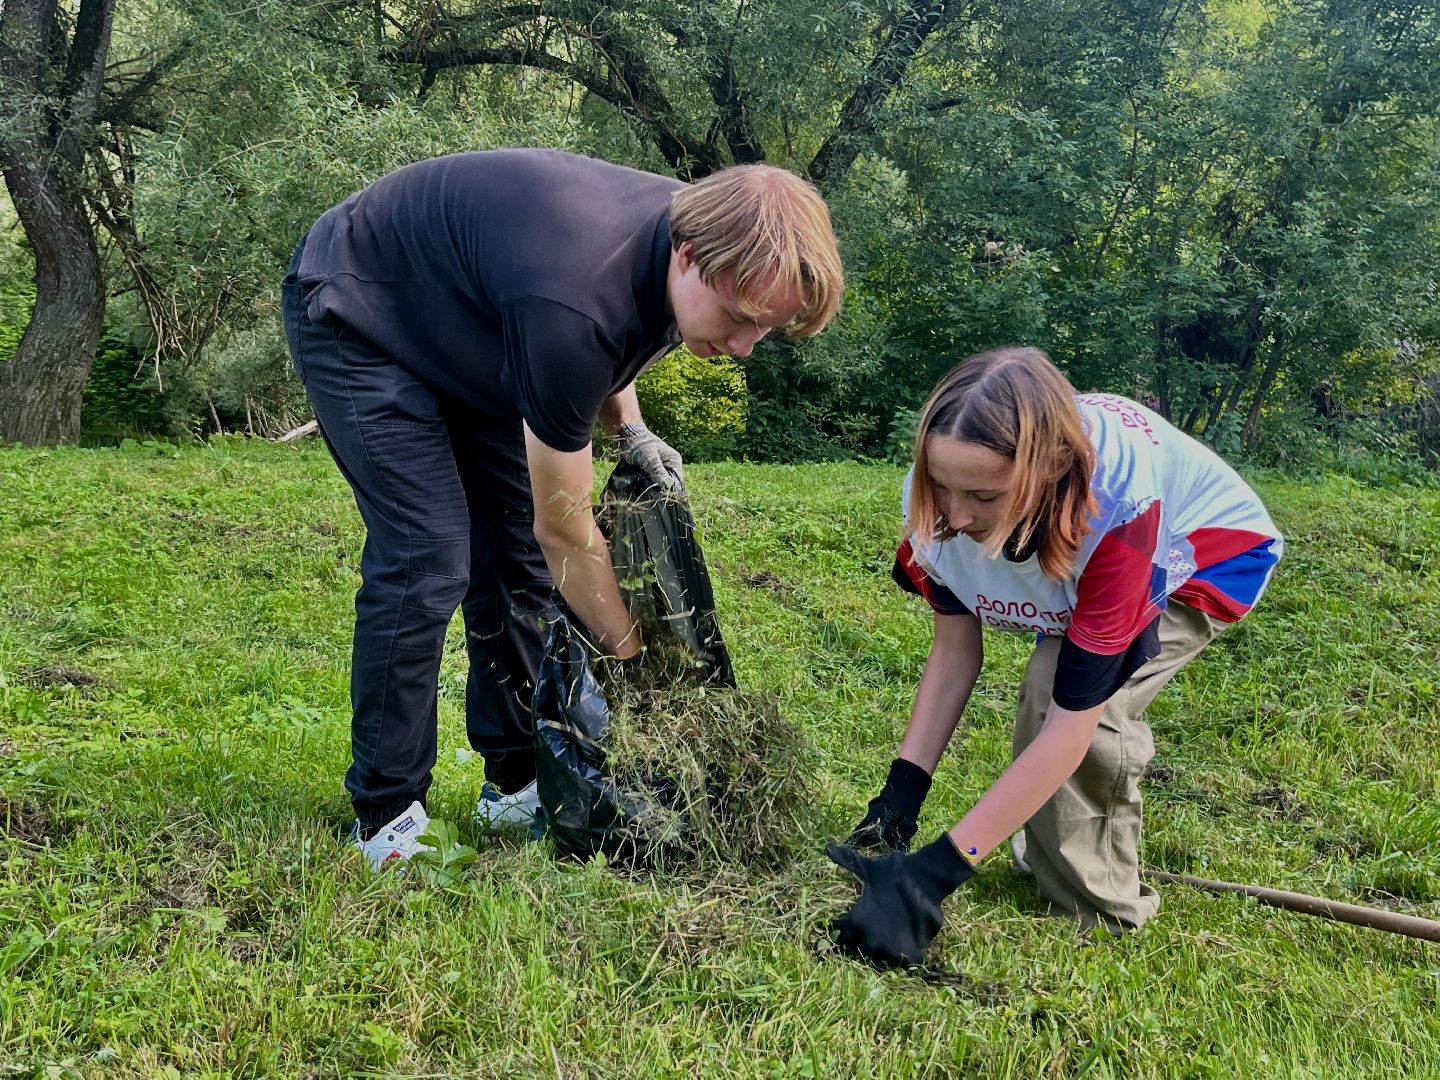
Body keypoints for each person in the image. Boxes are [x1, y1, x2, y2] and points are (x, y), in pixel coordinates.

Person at [280, 148, 843, 869]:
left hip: (475, 326)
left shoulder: (706, 239)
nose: (742, 347)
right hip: (359, 306)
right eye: (737, 319)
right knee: (429, 554)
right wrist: (640, 672)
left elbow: (618, 338)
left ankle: (513, 778)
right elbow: (566, 529)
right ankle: (386, 812)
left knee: (510, 554)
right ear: (688, 254)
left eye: (764, 330)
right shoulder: (577, 294)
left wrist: (629, 429)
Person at [828, 346, 1282, 966]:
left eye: (984, 497)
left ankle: (1096, 910)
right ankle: (1039, 848)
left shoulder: (1122, 510)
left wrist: (934, 875)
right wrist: (896, 808)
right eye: (943, 485)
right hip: (1068, 551)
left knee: (1061, 691)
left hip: (1204, 555)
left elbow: (1070, 725)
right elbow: (956, 651)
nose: (956, 514)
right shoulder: (939, 503)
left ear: (1050, 471)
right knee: (1054, 679)